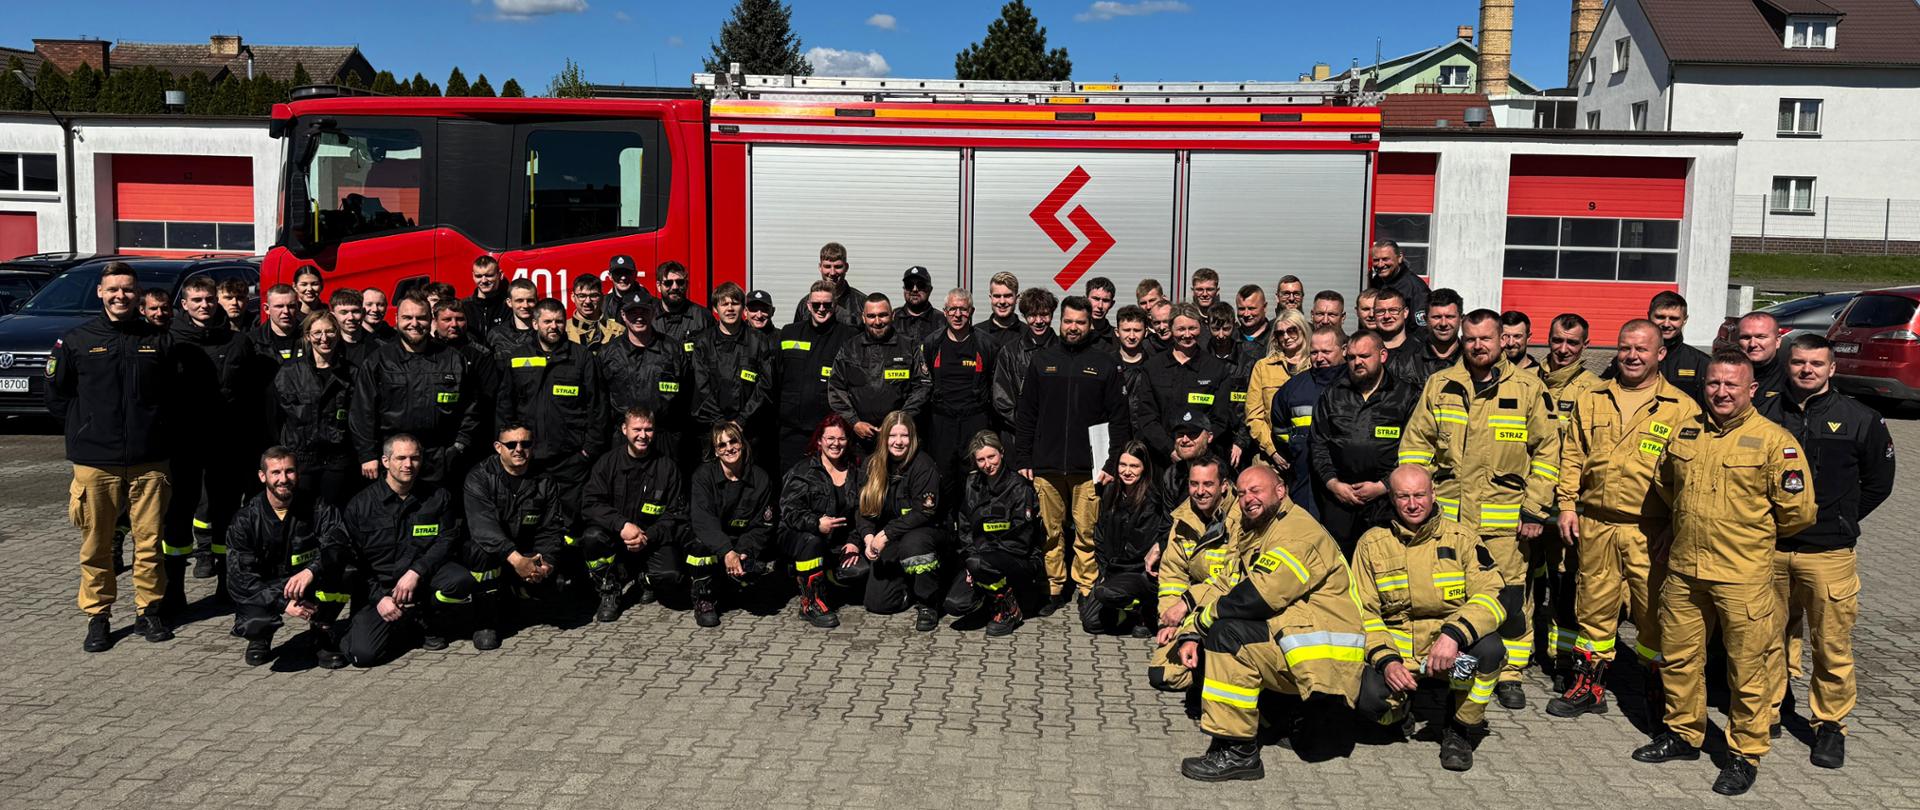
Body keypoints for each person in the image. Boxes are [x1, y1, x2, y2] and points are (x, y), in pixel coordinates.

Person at [1632, 351, 1815, 797]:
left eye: (1732, 385)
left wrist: (1746, 536)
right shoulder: (1686, 431)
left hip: (1742, 575)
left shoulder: (1775, 441)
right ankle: (1683, 734)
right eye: (1714, 383)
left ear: (1751, 389)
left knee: (1747, 669)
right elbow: (1665, 483)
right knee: (1678, 658)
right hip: (1684, 570)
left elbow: (1797, 512)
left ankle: (1744, 753)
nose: (1721, 392)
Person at [1397, 309, 1560, 710]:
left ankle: (1509, 673)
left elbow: (1548, 452)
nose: (1478, 345)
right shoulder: (1441, 385)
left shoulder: (1527, 388)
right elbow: (1416, 447)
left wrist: (1535, 510)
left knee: (1510, 597)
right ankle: (1454, 667)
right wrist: (1417, 499)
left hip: (1505, 524)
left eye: (1486, 338)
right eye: (1470, 339)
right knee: (1454, 594)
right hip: (1450, 522)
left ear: (1502, 339)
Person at [1545, 319, 1698, 721]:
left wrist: (1673, 526)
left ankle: (1655, 688)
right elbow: (1572, 455)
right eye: (1625, 347)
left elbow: (1690, 478)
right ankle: (1589, 687)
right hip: (1596, 524)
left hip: (1650, 530)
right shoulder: (1594, 397)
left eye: (1641, 349)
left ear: (1660, 354)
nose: (1631, 356)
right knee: (1593, 609)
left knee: (1652, 614)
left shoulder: (1682, 408)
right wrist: (1565, 504)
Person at [1172, 466, 1365, 782]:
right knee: (1210, 639)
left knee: (1227, 636)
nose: (1247, 499)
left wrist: (1205, 622)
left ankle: (1238, 752)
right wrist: (1190, 628)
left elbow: (1260, 596)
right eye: (1243, 493)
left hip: (1323, 655)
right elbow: (1228, 583)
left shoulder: (1296, 532)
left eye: (1256, 490)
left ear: (1281, 490)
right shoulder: (1258, 529)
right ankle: (1273, 719)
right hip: (1294, 635)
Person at [1768, 334, 1895, 769]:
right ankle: (1771, 707)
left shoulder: (1861, 418)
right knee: (1768, 637)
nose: (1807, 370)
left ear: (1832, 368)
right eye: (1799, 362)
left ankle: (1829, 725)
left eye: (1816, 364)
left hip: (1829, 553)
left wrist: (1842, 518)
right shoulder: (1765, 413)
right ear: (1788, 365)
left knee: (1831, 645)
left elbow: (1879, 482)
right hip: (1772, 549)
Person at [51, 261, 182, 651]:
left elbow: (174, 397)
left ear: (137, 294)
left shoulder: (159, 340)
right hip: (96, 462)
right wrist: (85, 430)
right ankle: (98, 616)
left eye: (127, 289)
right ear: (100, 292)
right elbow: (58, 396)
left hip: (149, 461)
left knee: (149, 543)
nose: (120, 296)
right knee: (97, 544)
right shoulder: (77, 340)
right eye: (113, 289)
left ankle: (149, 611)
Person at [1351, 465, 1511, 772]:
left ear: (1433, 493)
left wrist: (1454, 635)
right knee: (1366, 698)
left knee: (1490, 650)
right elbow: (1363, 611)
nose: (1413, 504)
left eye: (1420, 495)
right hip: (1398, 648)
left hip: (1449, 647)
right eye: (1403, 496)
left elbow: (1496, 595)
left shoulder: (1461, 538)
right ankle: (1400, 714)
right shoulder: (1372, 544)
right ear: (1393, 499)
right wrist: (1387, 661)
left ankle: (1459, 728)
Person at [1013, 295, 1130, 613]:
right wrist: (1023, 458)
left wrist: (1111, 463)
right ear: (1059, 322)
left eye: (1080, 322)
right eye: (1068, 321)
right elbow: (1027, 414)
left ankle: (1086, 588)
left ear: (1090, 325)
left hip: (1088, 467)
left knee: (1087, 532)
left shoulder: (1106, 363)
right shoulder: (1042, 361)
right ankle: (1054, 589)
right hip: (1046, 466)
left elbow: (1119, 420)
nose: (1074, 327)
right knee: (1050, 533)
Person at [330, 434, 475, 666]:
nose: (408, 465)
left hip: (420, 580)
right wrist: (379, 598)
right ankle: (375, 626)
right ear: (386, 461)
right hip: (378, 589)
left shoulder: (438, 497)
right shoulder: (360, 506)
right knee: (363, 656)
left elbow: (448, 540)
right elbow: (353, 563)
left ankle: (427, 623)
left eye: (414, 458)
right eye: (401, 458)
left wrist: (416, 571)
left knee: (460, 580)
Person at [224, 446, 350, 668]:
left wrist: (312, 570)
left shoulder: (317, 506)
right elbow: (240, 578)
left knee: (347, 571)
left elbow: (338, 543)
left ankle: (322, 633)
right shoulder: (245, 520)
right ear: (262, 476)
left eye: (289, 471)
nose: (284, 479)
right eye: (276, 473)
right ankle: (260, 637)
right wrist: (283, 603)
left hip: (307, 579)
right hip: (268, 586)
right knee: (249, 599)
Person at [168, 276, 254, 592]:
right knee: (178, 517)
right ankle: (174, 588)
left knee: (226, 514)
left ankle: (226, 584)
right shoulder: (170, 341)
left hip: (226, 443)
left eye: (209, 299)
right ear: (184, 304)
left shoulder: (238, 342)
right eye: (197, 300)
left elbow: (251, 395)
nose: (204, 305)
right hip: (184, 445)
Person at [1534, 313, 1606, 686]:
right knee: (1528, 583)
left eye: (1572, 343)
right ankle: (1524, 653)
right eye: (1557, 341)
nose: (1563, 349)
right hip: (1530, 502)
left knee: (1566, 588)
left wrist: (1570, 502)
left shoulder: (1593, 390)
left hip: (1568, 506)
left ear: (1585, 346)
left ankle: (1563, 661)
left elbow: (1588, 453)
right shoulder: (1528, 380)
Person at [350, 292, 479, 486]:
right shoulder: (379, 361)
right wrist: (367, 454)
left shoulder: (452, 359)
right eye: (407, 317)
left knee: (436, 515)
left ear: (431, 320)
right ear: (396, 319)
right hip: (394, 461)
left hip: (440, 460)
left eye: (421, 318)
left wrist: (460, 445)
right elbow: (362, 411)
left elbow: (472, 406)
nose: (414, 323)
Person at [1310, 329, 1418, 555]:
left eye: (1364, 356)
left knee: (1385, 560)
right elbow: (1318, 444)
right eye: (1351, 357)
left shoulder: (1406, 395)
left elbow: (1415, 449)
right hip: (1339, 500)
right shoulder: (1333, 394)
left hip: (1386, 501)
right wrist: (1333, 484)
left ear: (1382, 356)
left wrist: (1383, 486)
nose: (1357, 362)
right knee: (1339, 563)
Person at [577, 409, 688, 623]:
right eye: (637, 429)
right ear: (624, 429)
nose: (643, 435)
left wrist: (647, 536)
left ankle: (645, 580)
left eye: (648, 430)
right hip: (615, 538)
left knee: (671, 576)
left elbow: (676, 514)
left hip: (650, 541)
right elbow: (590, 504)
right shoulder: (607, 463)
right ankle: (609, 590)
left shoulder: (667, 468)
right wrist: (622, 525)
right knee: (591, 538)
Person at [462, 423, 568, 647]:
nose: (518, 449)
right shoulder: (480, 477)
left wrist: (545, 562)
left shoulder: (545, 481)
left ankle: (514, 595)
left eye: (525, 443)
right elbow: (484, 529)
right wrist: (517, 560)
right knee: (479, 553)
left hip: (526, 554)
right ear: (498, 447)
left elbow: (551, 528)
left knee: (556, 584)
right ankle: (486, 621)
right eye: (511, 444)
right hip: (495, 553)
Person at [496, 298, 607, 509]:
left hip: (571, 459)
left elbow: (598, 406)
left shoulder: (582, 358)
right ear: (535, 324)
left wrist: (589, 450)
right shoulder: (517, 357)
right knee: (532, 513)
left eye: (558, 321)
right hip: (528, 456)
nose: (553, 327)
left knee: (569, 519)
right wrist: (506, 448)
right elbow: (504, 406)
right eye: (547, 321)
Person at [1147, 453, 1238, 694]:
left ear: (1224, 487)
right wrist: (1168, 618)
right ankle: (1203, 673)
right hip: (1192, 608)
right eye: (1194, 484)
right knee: (1162, 675)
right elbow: (1172, 575)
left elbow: (1231, 581)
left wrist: (1186, 607)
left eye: (1208, 484)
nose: (1200, 491)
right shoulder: (1183, 518)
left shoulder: (1240, 519)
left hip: (1228, 609)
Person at [852, 411, 947, 631]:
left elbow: (924, 513)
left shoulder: (923, 465)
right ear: (884, 437)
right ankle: (908, 586)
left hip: (926, 534)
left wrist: (884, 535)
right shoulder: (871, 465)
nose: (898, 441)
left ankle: (928, 602)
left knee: (914, 544)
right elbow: (863, 510)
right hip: (891, 539)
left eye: (904, 435)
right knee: (878, 604)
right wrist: (868, 538)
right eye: (892, 435)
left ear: (912, 438)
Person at [943, 430, 1043, 636]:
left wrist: (981, 559)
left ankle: (1009, 609)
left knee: (981, 564)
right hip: (979, 558)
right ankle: (990, 602)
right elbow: (965, 526)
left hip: (1017, 559)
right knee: (955, 604)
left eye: (991, 457)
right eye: (981, 460)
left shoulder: (1020, 487)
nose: (987, 464)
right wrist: (972, 559)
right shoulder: (972, 484)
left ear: (1002, 453)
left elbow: (1021, 539)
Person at [685, 421, 779, 628]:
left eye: (733, 441)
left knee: (755, 573)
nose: (729, 448)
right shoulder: (703, 476)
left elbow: (762, 525)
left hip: (741, 544)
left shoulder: (761, 479)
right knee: (699, 545)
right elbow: (703, 521)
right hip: (712, 541)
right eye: (722, 445)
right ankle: (704, 599)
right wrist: (727, 551)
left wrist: (743, 551)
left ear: (743, 444)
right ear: (716, 452)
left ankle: (731, 585)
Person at [1079, 441, 1170, 636]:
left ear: (1144, 468)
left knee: (1105, 593)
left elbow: (1139, 550)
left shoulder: (1151, 501)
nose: (1127, 471)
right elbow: (1100, 535)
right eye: (1123, 465)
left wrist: (1112, 576)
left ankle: (1144, 609)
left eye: (1134, 466)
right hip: (1112, 569)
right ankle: (1127, 614)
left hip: (1136, 573)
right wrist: (1104, 570)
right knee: (1090, 622)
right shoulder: (1111, 492)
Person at [778, 415, 861, 629]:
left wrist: (854, 541)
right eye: (830, 438)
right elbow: (789, 511)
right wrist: (816, 523)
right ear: (819, 441)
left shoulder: (856, 472)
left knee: (861, 572)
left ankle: (830, 581)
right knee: (811, 541)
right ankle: (810, 603)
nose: (836, 443)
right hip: (800, 536)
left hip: (838, 542)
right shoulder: (803, 471)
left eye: (841, 439)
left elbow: (862, 513)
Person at [275, 311, 362, 507]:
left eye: (330, 332)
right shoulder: (289, 373)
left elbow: (359, 418)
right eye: (317, 333)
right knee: (301, 515)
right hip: (301, 457)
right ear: (307, 336)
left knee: (333, 514)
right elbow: (276, 417)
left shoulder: (352, 373)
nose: (324, 338)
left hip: (337, 459)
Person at [828, 292, 932, 452]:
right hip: (860, 441)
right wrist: (854, 422)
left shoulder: (909, 347)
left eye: (883, 315)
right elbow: (836, 388)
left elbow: (922, 386)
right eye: (871, 316)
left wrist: (899, 422)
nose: (877, 322)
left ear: (893, 315)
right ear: (863, 318)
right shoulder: (849, 348)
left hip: (900, 439)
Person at [1137, 303, 1238, 467]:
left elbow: (1220, 419)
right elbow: (1147, 417)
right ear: (1171, 329)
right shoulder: (1153, 368)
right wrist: (1170, 448)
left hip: (1204, 460)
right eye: (1181, 329)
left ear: (1201, 328)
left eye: (1192, 328)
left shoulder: (1216, 369)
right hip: (1163, 460)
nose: (1187, 334)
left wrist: (1196, 447)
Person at [920, 288, 994, 504]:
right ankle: (945, 528)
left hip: (975, 420)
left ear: (971, 311)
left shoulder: (986, 344)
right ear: (945, 312)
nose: (958, 314)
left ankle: (971, 527)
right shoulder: (933, 343)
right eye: (953, 309)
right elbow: (924, 383)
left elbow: (992, 383)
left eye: (963, 309)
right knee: (942, 476)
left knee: (973, 475)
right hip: (941, 422)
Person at [598, 297, 693, 462]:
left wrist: (678, 436)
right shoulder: (608, 353)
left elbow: (688, 395)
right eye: (632, 311)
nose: (639, 316)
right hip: (622, 439)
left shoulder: (673, 350)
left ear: (653, 313)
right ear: (623, 315)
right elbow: (600, 400)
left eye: (644, 311)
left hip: (665, 439)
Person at [689, 283, 775, 466]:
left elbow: (765, 385)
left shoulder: (759, 342)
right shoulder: (703, 342)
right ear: (715, 309)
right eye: (724, 304)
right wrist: (721, 424)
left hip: (749, 431)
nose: (729, 308)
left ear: (743, 308)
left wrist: (742, 420)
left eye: (735, 303)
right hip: (712, 431)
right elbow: (700, 386)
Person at [774, 280, 854, 472]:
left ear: (834, 306)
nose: (821, 309)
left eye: (826, 305)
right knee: (791, 483)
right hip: (792, 431)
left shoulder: (848, 337)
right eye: (816, 304)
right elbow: (775, 378)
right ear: (808, 305)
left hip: (830, 431)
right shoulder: (789, 332)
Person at [1268, 326, 1346, 520]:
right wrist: (1297, 450)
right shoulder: (1293, 389)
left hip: (1346, 482)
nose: (1319, 358)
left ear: (1344, 350)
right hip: (1305, 481)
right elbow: (1279, 432)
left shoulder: (1356, 384)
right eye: (1314, 352)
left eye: (1326, 352)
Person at [1606, 291, 1710, 406]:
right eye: (1660, 317)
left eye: (1673, 318)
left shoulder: (1701, 363)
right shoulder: (1627, 360)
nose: (1666, 324)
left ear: (1684, 320)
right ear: (1648, 315)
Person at [989, 287, 1058, 455]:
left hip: (1056, 439)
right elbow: (1001, 399)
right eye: (1032, 315)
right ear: (1025, 317)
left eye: (1044, 314)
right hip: (1017, 438)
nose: (1039, 320)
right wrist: (1028, 425)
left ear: (1052, 314)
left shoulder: (1064, 351)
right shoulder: (1010, 352)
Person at [1243, 309, 1312, 470]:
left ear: (1303, 329)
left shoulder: (1315, 365)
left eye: (1292, 330)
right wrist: (1273, 451)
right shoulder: (1263, 367)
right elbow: (1253, 416)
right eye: (1281, 333)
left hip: (1308, 457)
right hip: (1269, 460)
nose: (1286, 337)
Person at [789, 242, 864, 328]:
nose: (832, 273)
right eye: (827, 266)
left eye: (838, 267)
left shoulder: (861, 304)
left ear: (846, 267)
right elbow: (797, 336)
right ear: (820, 267)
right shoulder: (805, 305)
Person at [1736, 311, 1791, 414]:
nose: (1753, 344)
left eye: (1761, 337)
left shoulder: (1791, 380)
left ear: (1777, 341)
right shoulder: (1724, 375)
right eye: (1746, 337)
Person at [1369, 239, 1431, 329]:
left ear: (1400, 257)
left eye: (1385, 259)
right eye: (1376, 260)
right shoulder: (1376, 281)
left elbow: (1421, 328)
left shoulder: (1416, 287)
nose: (1380, 265)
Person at [1406, 288, 1464, 379]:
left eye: (1450, 317)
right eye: (1437, 317)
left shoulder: (1472, 361)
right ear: (1425, 320)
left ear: (1461, 319)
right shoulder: (1407, 359)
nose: (1443, 323)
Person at [653, 260, 713, 345]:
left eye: (680, 282)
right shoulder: (648, 317)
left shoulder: (703, 317)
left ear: (687, 284)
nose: (675, 287)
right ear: (659, 286)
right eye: (668, 283)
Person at [1375, 288, 1427, 385]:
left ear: (1406, 312)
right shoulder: (1366, 350)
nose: (1387, 316)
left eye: (1393, 310)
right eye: (1380, 311)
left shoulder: (1422, 352)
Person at [566, 272, 624, 349]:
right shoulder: (562, 331)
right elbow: (545, 359)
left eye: (593, 296)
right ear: (573, 297)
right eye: (582, 296)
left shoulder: (619, 332)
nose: (588, 301)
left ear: (602, 297)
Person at [251, 284, 304, 364]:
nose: (286, 311)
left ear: (298, 307)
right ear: (267, 309)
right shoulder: (253, 341)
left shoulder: (310, 336)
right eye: (279, 306)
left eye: (291, 306)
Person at [974, 271, 1023, 358]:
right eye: (997, 296)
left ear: (1017, 298)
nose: (1002, 301)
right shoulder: (976, 333)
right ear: (991, 298)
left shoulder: (1027, 334)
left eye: (1007, 296)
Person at [485, 279, 539, 356]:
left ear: (537, 301)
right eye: (519, 300)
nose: (525, 305)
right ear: (509, 302)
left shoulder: (544, 333)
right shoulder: (496, 335)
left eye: (530, 300)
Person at [461, 255, 509, 340]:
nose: (483, 280)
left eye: (489, 275)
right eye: (478, 276)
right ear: (473, 276)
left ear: (500, 275)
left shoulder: (508, 306)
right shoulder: (464, 306)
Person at [330, 287, 381, 366]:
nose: (351, 317)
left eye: (355, 311)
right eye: (344, 312)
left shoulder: (378, 346)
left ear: (363, 313)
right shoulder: (327, 345)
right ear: (333, 316)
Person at [892, 266, 941, 344]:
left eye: (921, 285)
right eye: (909, 285)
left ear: (930, 290)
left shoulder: (941, 320)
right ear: (904, 289)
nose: (914, 289)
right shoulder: (893, 318)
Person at [1229, 285, 1271, 370]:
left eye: (1251, 308)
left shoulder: (1275, 338)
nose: (1246, 314)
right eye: (1241, 309)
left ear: (1265, 307)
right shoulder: (1229, 338)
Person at [1084, 276, 1117, 349]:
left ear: (1112, 304)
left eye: (1105, 300)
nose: (1100, 306)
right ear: (1086, 300)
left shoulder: (1118, 338)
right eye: (1096, 299)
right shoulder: (1075, 334)